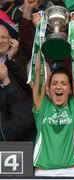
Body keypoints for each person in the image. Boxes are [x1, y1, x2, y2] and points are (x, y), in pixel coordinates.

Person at [32, 12, 74, 177]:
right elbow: (38, 73)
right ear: (48, 89)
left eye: (64, 83)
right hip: (43, 172)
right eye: (54, 83)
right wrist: (39, 31)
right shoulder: (42, 105)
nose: (59, 87)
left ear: (71, 89)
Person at [0, 11, 36, 141]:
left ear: (11, 40)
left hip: (21, 126)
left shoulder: (19, 60)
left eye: (4, 37)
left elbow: (29, 84)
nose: (0, 41)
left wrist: (11, 58)